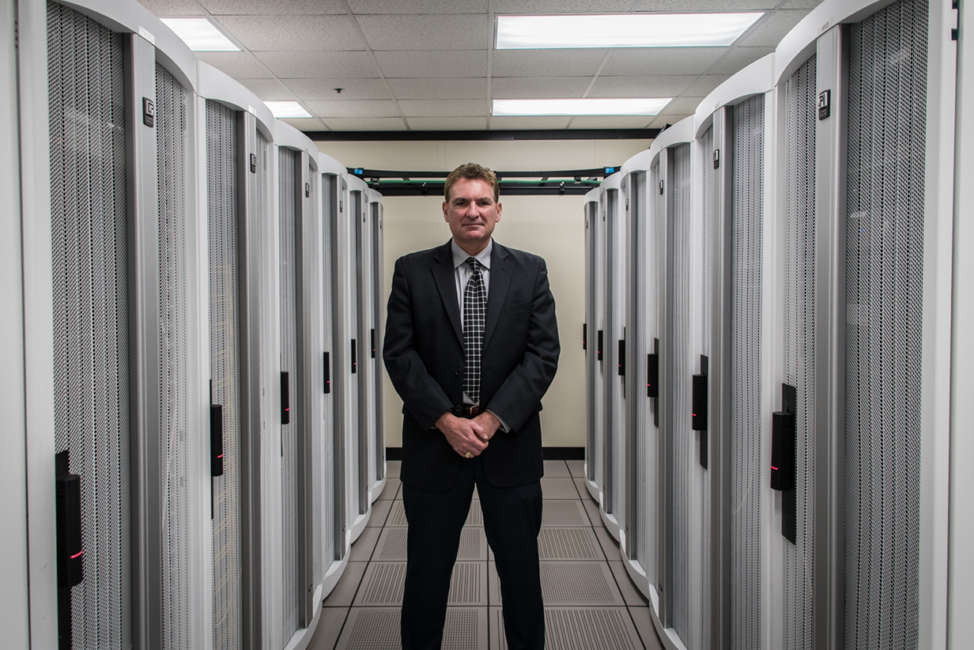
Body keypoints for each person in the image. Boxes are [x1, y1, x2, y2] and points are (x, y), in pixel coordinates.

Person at [383, 162, 560, 649]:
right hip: (433, 448)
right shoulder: (413, 271)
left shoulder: (530, 271)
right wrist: (446, 420)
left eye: (483, 202)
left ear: (499, 210)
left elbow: (543, 355)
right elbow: (399, 354)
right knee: (426, 574)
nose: (472, 211)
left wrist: (488, 419)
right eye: (461, 202)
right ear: (445, 210)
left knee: (521, 574)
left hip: (510, 446)